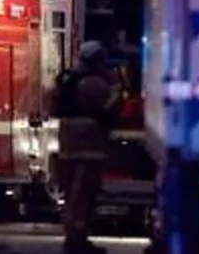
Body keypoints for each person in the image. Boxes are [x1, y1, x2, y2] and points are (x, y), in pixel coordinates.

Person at [52, 40, 117, 254]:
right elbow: (108, 110)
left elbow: (54, 106)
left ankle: (73, 238)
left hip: (66, 145)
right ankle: (78, 241)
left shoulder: (67, 79)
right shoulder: (95, 83)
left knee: (71, 194)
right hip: (89, 146)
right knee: (83, 194)